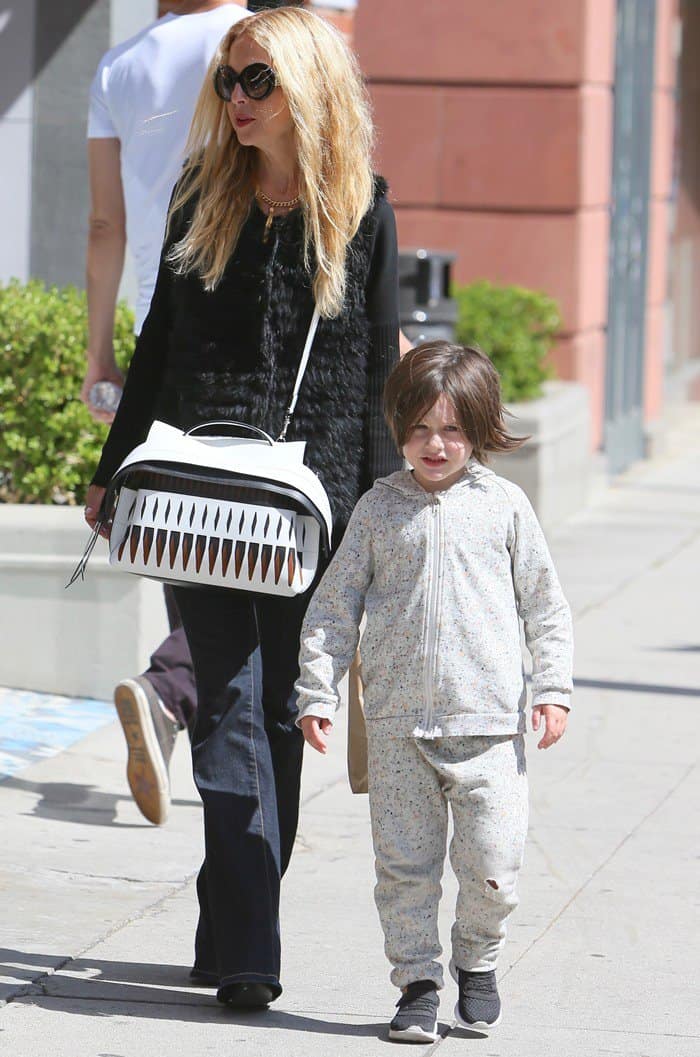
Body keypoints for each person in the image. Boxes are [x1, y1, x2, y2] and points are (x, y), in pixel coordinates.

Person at [84, 6, 401, 1008]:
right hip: (196, 496)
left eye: (256, 80)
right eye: (230, 82)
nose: (236, 100)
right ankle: (255, 950)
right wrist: (113, 464)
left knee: (278, 714)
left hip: (313, 506)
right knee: (224, 701)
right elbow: (160, 344)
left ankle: (226, 925)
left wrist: (385, 508)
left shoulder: (362, 207)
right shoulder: (199, 194)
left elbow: (379, 367)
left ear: (307, 85)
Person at [296, 341, 574, 1041]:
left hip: (488, 729)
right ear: (399, 430)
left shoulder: (505, 507)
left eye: (451, 429)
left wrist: (553, 687)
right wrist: (317, 693)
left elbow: (545, 605)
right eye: (419, 428)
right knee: (404, 870)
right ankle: (418, 983)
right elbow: (333, 609)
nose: (435, 444)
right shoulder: (378, 508)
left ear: (479, 429)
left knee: (495, 864)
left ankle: (476, 963)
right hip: (397, 729)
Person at [82, 0, 251, 827]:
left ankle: (172, 699)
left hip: (161, 328)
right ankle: (172, 692)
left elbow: (105, 223)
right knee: (248, 544)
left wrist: (98, 355)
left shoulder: (117, 68)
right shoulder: (256, 40)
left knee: (194, 535)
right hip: (252, 321)